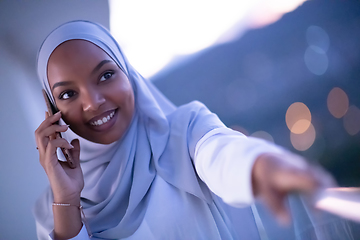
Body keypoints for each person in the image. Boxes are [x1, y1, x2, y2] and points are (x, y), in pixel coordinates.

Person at [33, 20, 340, 240]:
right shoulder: (53, 212)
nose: (93, 103)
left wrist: (261, 165)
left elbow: (221, 152)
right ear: (52, 111)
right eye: (68, 94)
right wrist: (68, 198)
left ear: (130, 75)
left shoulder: (185, 131)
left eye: (106, 75)